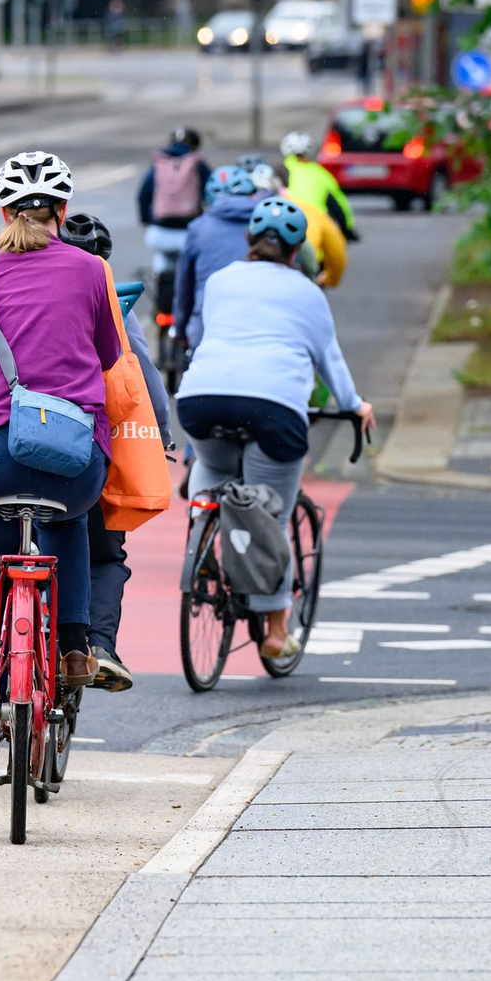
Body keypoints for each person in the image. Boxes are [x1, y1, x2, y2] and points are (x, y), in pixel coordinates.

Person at [0, 151, 123, 789]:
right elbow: (108, 354)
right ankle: (74, 647)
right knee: (70, 519)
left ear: (3, 210)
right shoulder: (92, 270)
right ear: (63, 211)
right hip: (69, 452)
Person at [174, 197, 375, 659]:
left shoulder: (222, 280)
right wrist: (355, 405)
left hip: (200, 398)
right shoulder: (308, 292)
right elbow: (329, 361)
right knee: (273, 515)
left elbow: (208, 334)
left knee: (213, 463)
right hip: (271, 407)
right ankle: (276, 631)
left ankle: (201, 526)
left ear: (249, 239)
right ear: (297, 249)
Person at [59, 211, 172, 692]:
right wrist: (162, 434)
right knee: (104, 555)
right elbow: (143, 375)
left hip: (16, 447)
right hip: (92, 451)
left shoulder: (28, 295)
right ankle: (100, 645)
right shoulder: (116, 307)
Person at [173, 163, 259, 350]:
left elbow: (184, 286)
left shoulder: (199, 228)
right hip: (256, 325)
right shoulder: (264, 225)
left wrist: (181, 329)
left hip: (208, 326)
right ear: (251, 193)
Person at [137, 126, 211, 316]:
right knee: (192, 269)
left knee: (162, 261)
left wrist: (147, 222)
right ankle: (190, 309)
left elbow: (143, 195)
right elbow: (211, 193)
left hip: (159, 233)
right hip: (188, 232)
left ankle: (161, 309)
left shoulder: (159, 162)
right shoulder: (197, 163)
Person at [252, 162, 347, 288]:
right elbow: (336, 251)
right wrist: (329, 279)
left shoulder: (248, 212)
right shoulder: (309, 210)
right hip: (303, 272)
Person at [281, 130, 359, 242]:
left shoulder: (279, 170)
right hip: (316, 225)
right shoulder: (321, 173)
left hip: (285, 226)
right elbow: (339, 204)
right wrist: (348, 229)